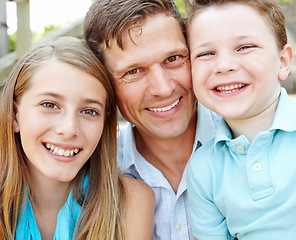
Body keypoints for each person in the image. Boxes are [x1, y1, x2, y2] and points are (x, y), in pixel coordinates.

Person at [84, 0, 220, 239]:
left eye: (173, 58)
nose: (163, 89)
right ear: (104, 84)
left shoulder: (255, 143)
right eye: (134, 71)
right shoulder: (91, 175)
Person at [0, 36, 155, 240]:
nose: (69, 129)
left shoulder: (130, 202)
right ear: (14, 115)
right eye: (49, 105)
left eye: (89, 111)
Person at [185, 0, 295, 239]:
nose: (224, 66)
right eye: (206, 53)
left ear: (283, 62)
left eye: (245, 47)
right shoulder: (203, 169)